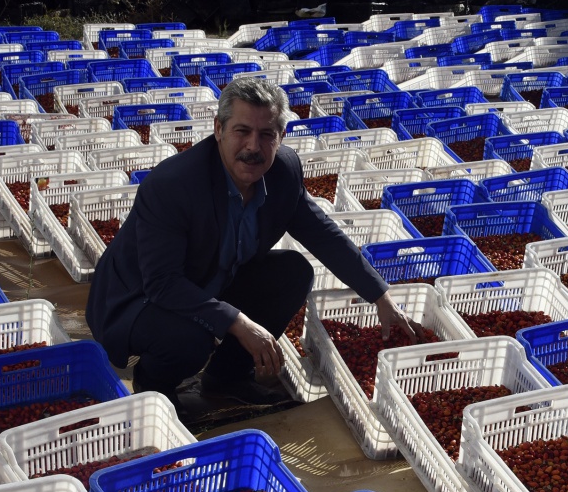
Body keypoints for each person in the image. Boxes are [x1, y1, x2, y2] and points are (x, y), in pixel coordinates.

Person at [86, 76, 418, 411]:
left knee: (292, 272)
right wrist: (239, 323)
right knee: (189, 339)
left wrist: (380, 295)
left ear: (281, 137)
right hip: (138, 298)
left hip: (208, 277)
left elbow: (321, 232)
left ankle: (226, 379)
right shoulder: (174, 186)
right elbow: (163, 284)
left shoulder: (283, 171)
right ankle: (155, 386)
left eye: (266, 135)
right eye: (242, 131)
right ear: (219, 129)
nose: (253, 147)